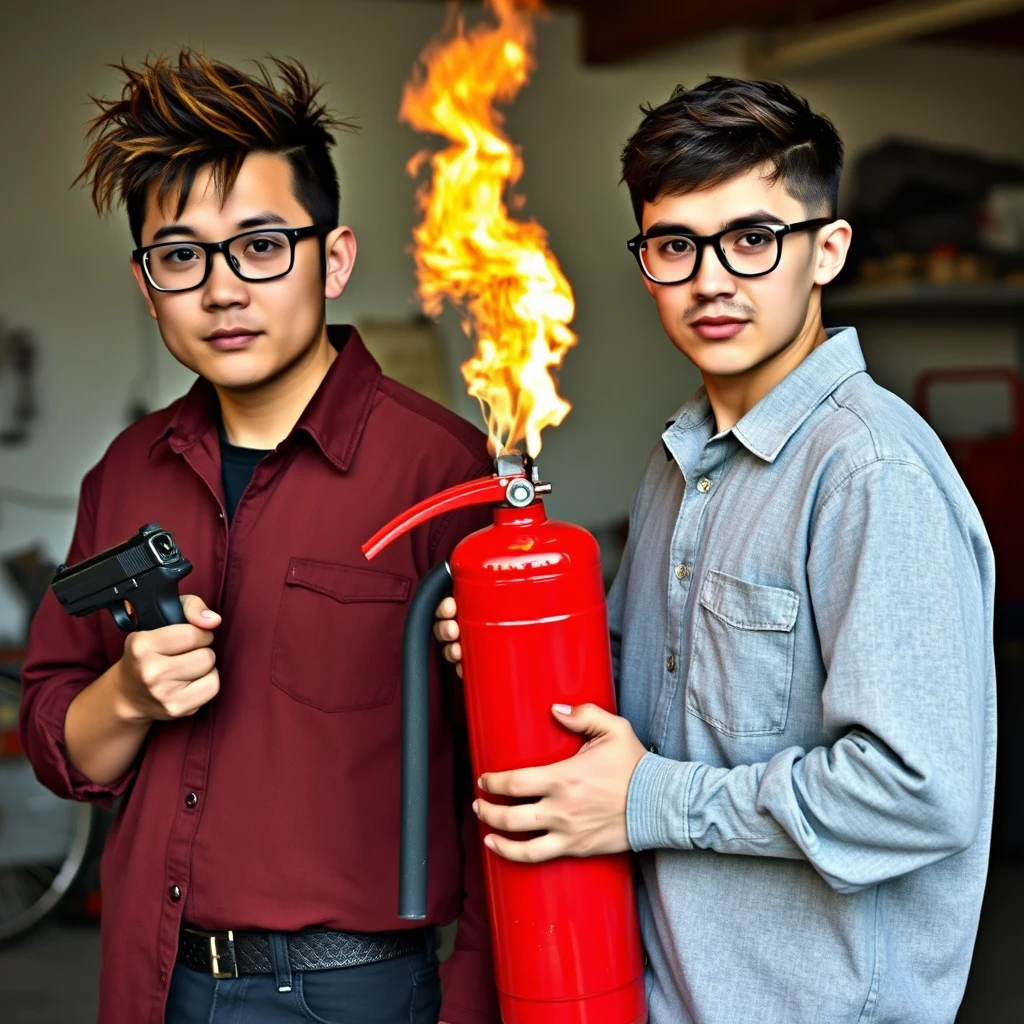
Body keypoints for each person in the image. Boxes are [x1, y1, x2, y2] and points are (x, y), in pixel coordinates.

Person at [435, 77, 996, 1024]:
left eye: (751, 238)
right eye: (674, 245)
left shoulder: (868, 474)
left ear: (827, 250)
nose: (711, 279)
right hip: (660, 996)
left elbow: (918, 793)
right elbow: (650, 705)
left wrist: (649, 803)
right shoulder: (679, 463)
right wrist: (514, 647)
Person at [20, 51, 499, 1024]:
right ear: (147, 284)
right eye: (182, 255)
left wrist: (476, 998)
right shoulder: (124, 474)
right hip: (154, 980)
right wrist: (130, 691)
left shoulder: (442, 472)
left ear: (334, 257)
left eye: (262, 245)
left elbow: (504, 776)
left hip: (356, 989)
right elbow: (57, 734)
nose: (224, 290)